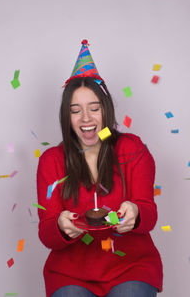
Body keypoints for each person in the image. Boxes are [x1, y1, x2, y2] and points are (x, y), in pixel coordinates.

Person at [36, 40, 163, 297]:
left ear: (106, 111)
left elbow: (148, 212)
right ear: (66, 117)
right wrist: (60, 226)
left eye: (94, 108)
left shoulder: (132, 148)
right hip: (69, 274)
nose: (86, 119)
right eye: (76, 111)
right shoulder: (51, 160)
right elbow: (47, 233)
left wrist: (136, 212)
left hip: (130, 267)